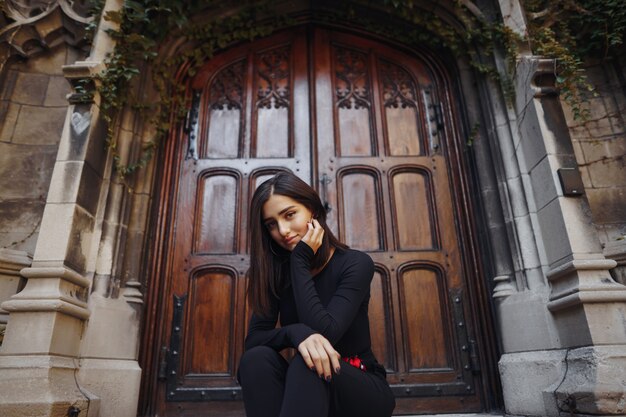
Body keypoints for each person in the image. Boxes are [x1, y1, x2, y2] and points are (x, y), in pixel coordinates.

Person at [237, 172, 395, 417]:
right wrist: (295, 333)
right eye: (271, 224)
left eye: (289, 215)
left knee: (310, 360)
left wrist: (299, 259)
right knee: (256, 360)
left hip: (361, 389)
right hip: (306, 392)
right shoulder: (275, 274)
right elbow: (254, 342)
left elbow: (326, 333)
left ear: (311, 209)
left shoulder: (355, 264)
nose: (283, 230)